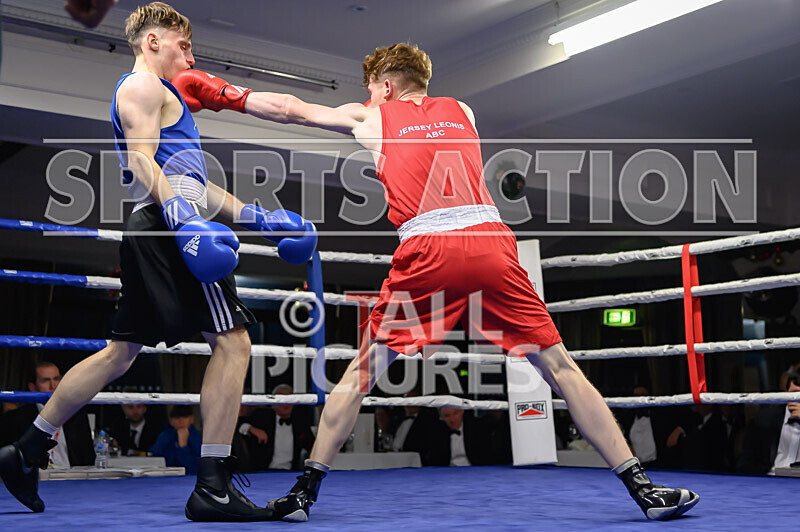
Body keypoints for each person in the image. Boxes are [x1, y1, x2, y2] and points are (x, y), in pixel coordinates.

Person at [173, 42, 698, 522]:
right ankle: (642, 487)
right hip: (492, 243)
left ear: (384, 85)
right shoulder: (464, 111)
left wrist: (223, 95)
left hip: (429, 251)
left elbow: (291, 109)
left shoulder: (373, 115)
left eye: (370, 87)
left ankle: (304, 495)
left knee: (361, 374)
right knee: (559, 367)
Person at [0, 2, 316, 521]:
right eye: (183, 44)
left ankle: (27, 450)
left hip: (161, 222)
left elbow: (194, 183)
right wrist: (182, 220)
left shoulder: (166, 98)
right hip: (167, 227)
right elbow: (144, 160)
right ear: (153, 42)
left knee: (119, 353)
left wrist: (259, 217)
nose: (190, 54)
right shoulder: (142, 87)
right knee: (233, 343)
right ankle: (213, 484)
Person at [0, 362, 94, 468]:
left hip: (71, 479)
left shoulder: (76, 415)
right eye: (46, 381)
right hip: (36, 480)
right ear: (33, 387)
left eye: (56, 379)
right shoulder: (14, 419)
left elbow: (88, 458)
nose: (53, 386)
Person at [236, 385, 314, 471]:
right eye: (282, 399)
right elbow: (237, 423)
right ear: (273, 402)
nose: (286, 403)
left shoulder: (299, 421)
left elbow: (312, 445)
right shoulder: (262, 416)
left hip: (291, 472)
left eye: (289, 399)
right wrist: (251, 429)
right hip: (262, 472)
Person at [149, 405, 202, 474]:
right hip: (166, 477)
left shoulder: (197, 437)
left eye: (185, 417)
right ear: (171, 420)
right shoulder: (165, 435)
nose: (181, 421)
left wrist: (183, 447)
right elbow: (154, 458)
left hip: (190, 478)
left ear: (192, 419)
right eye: (177, 417)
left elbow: (196, 468)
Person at [770, 364, 800, 473]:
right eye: (793, 393)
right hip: (772, 480)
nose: (795, 399)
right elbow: (747, 462)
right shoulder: (768, 418)